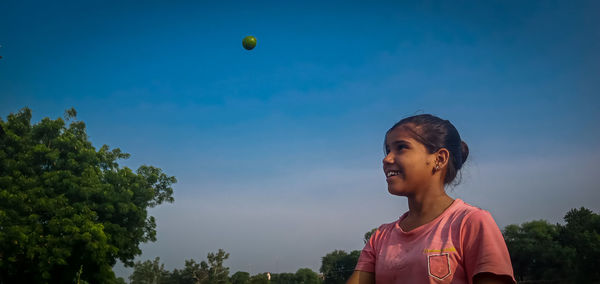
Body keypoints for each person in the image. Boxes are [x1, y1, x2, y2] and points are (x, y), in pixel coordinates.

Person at [347, 114, 515, 284]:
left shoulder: (471, 223)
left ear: (439, 159)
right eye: (388, 150)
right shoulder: (380, 237)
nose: (386, 159)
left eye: (401, 147)